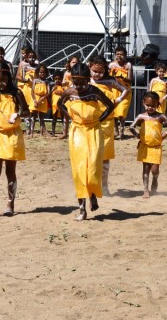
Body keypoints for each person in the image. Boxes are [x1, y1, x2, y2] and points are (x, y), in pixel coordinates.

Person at [57, 62, 114, 221]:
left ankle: (93, 193)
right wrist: (69, 116)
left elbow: (110, 106)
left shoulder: (94, 91)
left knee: (94, 166)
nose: (80, 86)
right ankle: (82, 209)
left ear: (88, 80)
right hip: (77, 132)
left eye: (83, 82)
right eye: (77, 82)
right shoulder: (69, 91)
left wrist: (100, 119)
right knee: (80, 169)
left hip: (94, 131)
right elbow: (59, 104)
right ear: (72, 79)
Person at [0, 61, 29, 220]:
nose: (0, 83)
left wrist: (18, 115)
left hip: (12, 135)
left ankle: (10, 204)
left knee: (10, 171)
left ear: (9, 77)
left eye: (3, 80)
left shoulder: (17, 93)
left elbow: (27, 112)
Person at [88, 55, 130, 195]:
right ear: (90, 68)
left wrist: (117, 100)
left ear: (105, 70)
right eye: (94, 71)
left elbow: (126, 90)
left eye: (100, 72)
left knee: (105, 156)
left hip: (106, 122)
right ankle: (91, 185)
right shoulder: (86, 80)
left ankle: (104, 186)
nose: (97, 74)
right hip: (90, 122)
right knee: (90, 154)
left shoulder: (110, 81)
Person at [129, 91, 167, 198]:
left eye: (153, 106)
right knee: (145, 168)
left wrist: (164, 135)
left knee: (155, 169)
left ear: (158, 105)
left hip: (156, 147)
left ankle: (155, 179)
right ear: (143, 103)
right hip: (145, 147)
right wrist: (138, 136)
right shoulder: (141, 116)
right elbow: (131, 127)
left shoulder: (161, 117)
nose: (150, 108)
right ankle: (145, 189)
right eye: (148, 105)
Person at [109, 46, 133, 139]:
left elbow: (130, 79)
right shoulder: (111, 65)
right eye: (117, 54)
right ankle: (116, 130)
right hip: (114, 90)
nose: (119, 56)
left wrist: (123, 78)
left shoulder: (129, 65)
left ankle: (122, 129)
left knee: (122, 111)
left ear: (125, 55)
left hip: (125, 90)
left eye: (121, 54)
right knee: (115, 112)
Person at [16, 49, 37, 135]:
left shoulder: (37, 66)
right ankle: (24, 126)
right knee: (24, 107)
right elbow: (17, 76)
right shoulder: (22, 64)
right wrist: (24, 79)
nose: (31, 59)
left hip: (33, 89)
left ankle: (31, 128)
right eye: (30, 57)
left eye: (33, 57)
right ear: (26, 57)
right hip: (24, 88)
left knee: (32, 109)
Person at [29, 64, 50, 136]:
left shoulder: (46, 81)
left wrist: (42, 98)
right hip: (35, 98)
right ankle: (31, 132)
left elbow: (48, 92)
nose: (42, 74)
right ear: (38, 72)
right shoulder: (35, 80)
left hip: (43, 99)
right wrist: (34, 100)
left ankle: (42, 132)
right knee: (33, 116)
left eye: (44, 72)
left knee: (41, 116)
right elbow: (32, 91)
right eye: (41, 72)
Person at [50, 70, 67, 137]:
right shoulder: (53, 87)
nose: (57, 80)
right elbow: (50, 94)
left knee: (63, 118)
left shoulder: (63, 87)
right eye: (56, 79)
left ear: (62, 79)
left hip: (61, 105)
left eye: (59, 79)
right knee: (54, 118)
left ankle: (64, 131)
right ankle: (53, 132)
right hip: (54, 105)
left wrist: (61, 93)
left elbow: (65, 94)